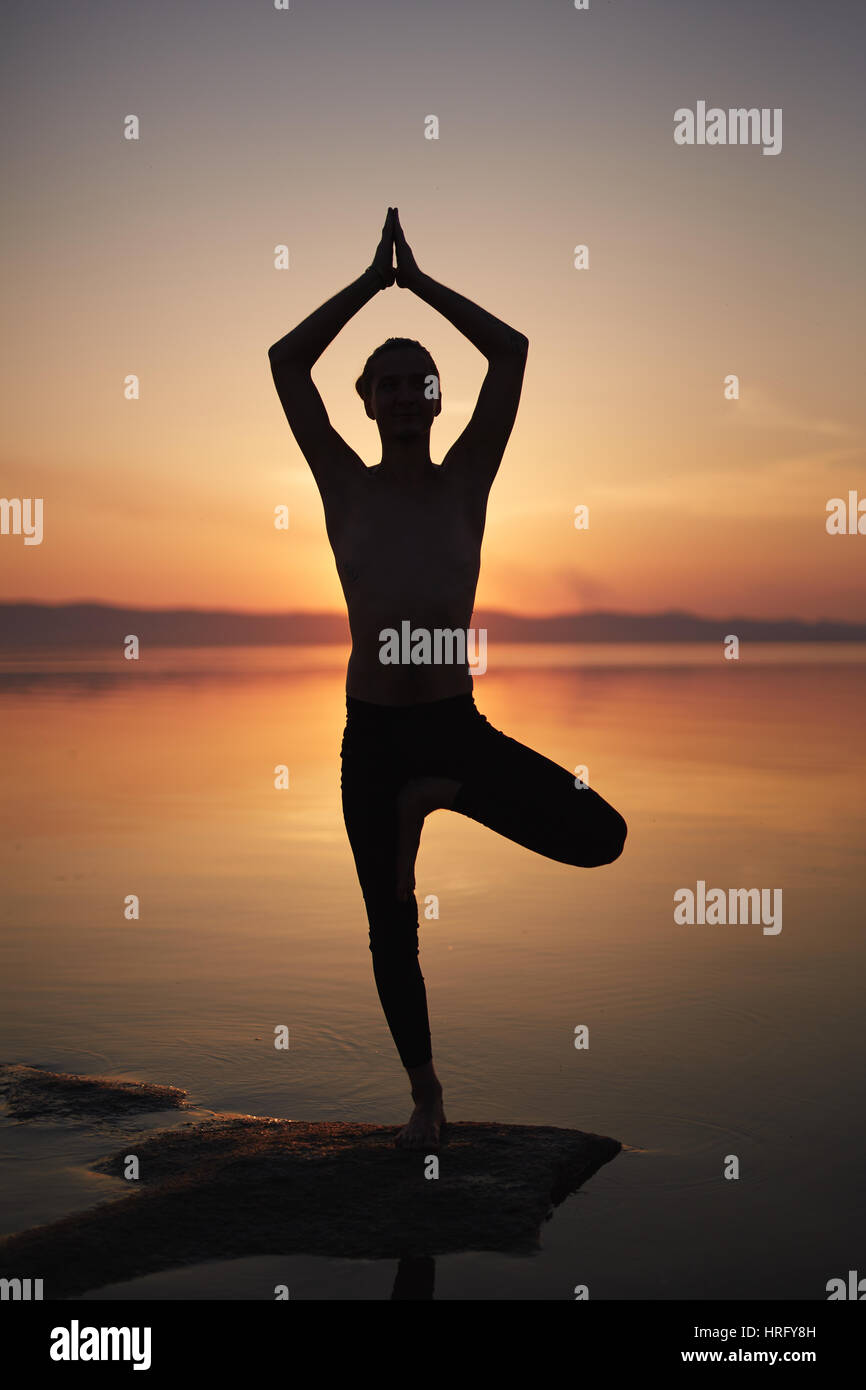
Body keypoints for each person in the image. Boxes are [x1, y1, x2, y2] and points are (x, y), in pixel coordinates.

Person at [268, 208, 627, 1149]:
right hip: (375, 738)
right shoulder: (344, 485)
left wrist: (416, 282)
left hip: (454, 731)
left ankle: (446, 787)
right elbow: (283, 364)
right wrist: (367, 283)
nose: (398, 393)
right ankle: (426, 1093)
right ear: (369, 402)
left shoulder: (467, 479)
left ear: (434, 399)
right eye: (382, 383)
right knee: (390, 917)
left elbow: (509, 355)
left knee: (604, 837)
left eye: (415, 380)